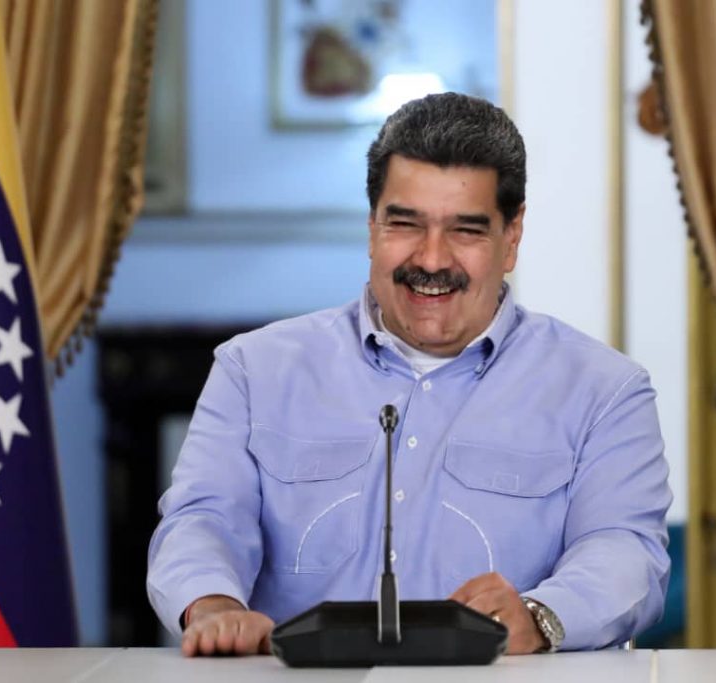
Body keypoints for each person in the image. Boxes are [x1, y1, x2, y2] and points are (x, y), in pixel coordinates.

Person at [146, 92, 672, 657]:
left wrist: (541, 617)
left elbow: (625, 548)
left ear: (511, 237)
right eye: (405, 224)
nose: (431, 259)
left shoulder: (605, 389)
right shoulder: (252, 370)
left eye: (466, 230)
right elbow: (203, 518)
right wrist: (214, 605)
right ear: (372, 226)